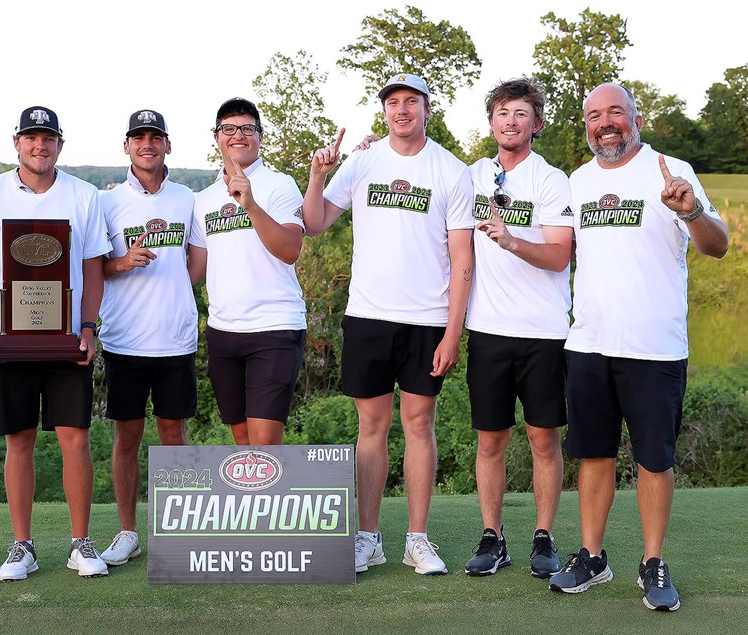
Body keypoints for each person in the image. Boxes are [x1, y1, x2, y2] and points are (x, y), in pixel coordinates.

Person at [548, 83, 728, 611]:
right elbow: (561, 252)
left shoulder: (671, 170)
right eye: (594, 116)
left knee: (653, 459)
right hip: (588, 343)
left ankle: (653, 562)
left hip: (655, 347)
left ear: (636, 118)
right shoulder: (578, 182)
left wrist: (693, 213)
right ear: (585, 125)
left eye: (615, 113)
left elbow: (716, 246)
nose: (605, 123)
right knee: (594, 455)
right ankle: (591, 556)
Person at [303, 73, 474, 575]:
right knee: (371, 428)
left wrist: (452, 331)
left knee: (419, 425)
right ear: (384, 112)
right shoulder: (361, 161)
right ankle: (368, 538)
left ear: (426, 109)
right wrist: (317, 174)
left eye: (412, 102)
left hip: (426, 320)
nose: (402, 110)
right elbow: (314, 223)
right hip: (368, 317)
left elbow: (462, 254)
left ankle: (417, 540)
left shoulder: (451, 169)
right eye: (393, 102)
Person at [0, 106, 112, 580]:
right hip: (7, 343)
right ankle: (22, 545)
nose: (39, 145)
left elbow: (92, 268)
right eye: (31, 138)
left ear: (60, 145)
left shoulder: (85, 195)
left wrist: (89, 327)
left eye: (48, 138)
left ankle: (80, 543)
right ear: (17, 143)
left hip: (68, 341)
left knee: (75, 439)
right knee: (18, 441)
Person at [460, 78, 573, 578]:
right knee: (491, 441)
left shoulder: (551, 180)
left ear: (537, 124)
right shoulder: (472, 175)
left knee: (544, 440)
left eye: (521, 114)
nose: (510, 121)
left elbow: (559, 255)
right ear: (491, 123)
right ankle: (493, 537)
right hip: (486, 330)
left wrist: (510, 241)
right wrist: (375, 154)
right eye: (502, 113)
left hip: (544, 333)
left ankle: (543, 537)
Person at [98, 110, 197, 566]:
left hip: (176, 338)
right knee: (127, 437)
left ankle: (176, 531)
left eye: (156, 137)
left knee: (173, 433)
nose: (147, 145)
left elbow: (196, 267)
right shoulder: (108, 201)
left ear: (168, 146)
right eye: (139, 137)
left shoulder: (188, 199)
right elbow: (91, 269)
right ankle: (127, 531)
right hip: (124, 340)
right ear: (127, 147)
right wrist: (121, 262)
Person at [187, 97, 306, 446]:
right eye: (229, 129)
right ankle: (258, 503)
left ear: (260, 136)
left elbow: (290, 250)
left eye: (247, 129)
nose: (238, 135)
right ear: (217, 137)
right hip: (223, 331)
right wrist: (126, 264)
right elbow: (195, 270)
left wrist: (250, 205)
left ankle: (274, 501)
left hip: (274, 327)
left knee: (265, 443)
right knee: (243, 444)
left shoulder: (279, 185)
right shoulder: (204, 199)